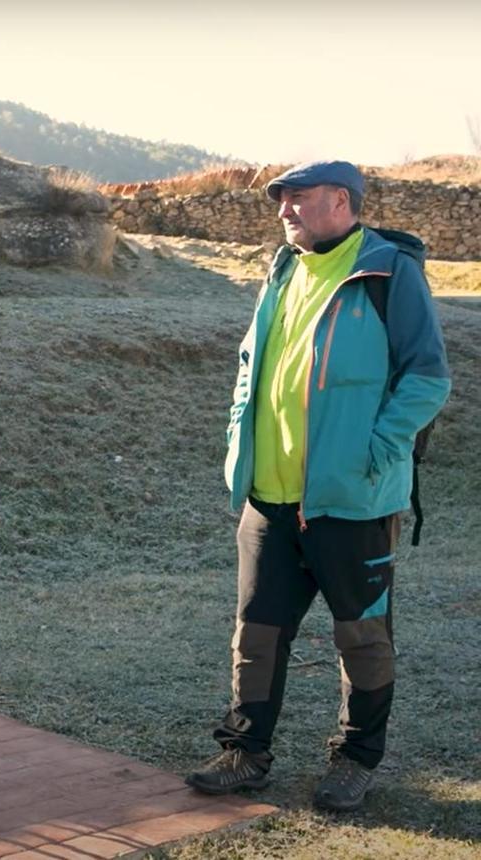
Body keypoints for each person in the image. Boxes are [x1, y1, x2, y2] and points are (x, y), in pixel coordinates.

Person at [186, 160, 450, 811]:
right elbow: (255, 366)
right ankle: (245, 753)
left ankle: (355, 761)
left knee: (361, 637)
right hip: (268, 500)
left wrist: (379, 450)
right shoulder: (282, 270)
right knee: (258, 633)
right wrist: (235, 445)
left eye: (297, 199)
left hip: (352, 502)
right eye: (281, 200)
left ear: (342, 200)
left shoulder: (390, 273)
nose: (284, 212)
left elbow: (428, 376)